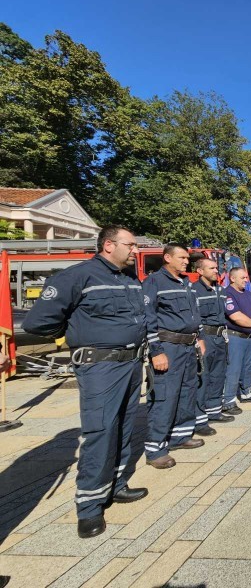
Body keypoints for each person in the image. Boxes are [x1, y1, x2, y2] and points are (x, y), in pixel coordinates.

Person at [23, 225, 149, 538]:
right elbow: (39, 322)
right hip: (100, 368)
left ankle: (115, 485)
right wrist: (78, 337)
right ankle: (90, 506)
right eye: (130, 245)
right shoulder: (78, 276)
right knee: (100, 432)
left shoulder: (129, 279)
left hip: (131, 364)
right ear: (109, 245)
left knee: (123, 428)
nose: (135, 250)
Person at [143, 244, 206, 470]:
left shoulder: (186, 282)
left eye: (187, 258)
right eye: (181, 257)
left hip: (188, 346)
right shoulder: (154, 282)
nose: (186, 261)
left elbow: (193, 314)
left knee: (187, 392)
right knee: (165, 396)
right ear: (167, 258)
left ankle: (180, 435)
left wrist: (198, 337)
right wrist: (156, 351)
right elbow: (148, 317)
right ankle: (155, 448)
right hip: (168, 346)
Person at [192, 257, 235, 429]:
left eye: (216, 268)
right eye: (211, 268)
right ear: (200, 271)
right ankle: (200, 418)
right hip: (205, 337)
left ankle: (214, 411)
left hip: (220, 338)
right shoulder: (194, 291)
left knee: (218, 375)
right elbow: (194, 318)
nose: (216, 271)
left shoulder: (220, 290)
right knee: (203, 377)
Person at [222, 267, 251, 413]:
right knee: (233, 368)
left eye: (246, 278)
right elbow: (236, 316)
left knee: (248, 366)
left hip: (248, 337)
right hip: (235, 337)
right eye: (243, 278)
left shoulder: (248, 294)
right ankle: (228, 400)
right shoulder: (228, 294)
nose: (246, 281)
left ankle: (247, 392)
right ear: (232, 278)